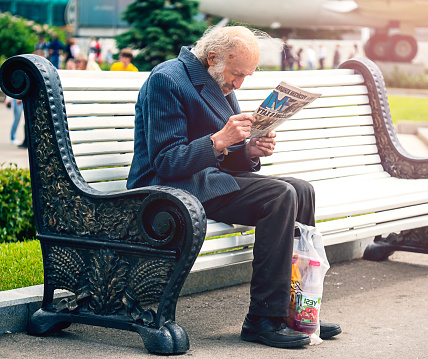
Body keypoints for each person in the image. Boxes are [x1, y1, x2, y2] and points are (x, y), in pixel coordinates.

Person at [127, 25, 341, 349]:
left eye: (246, 77)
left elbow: (228, 156)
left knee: (301, 190)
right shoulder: (166, 80)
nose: (238, 84)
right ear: (213, 57)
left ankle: (297, 310)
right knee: (280, 196)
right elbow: (166, 162)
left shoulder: (219, 80)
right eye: (237, 74)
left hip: (205, 179)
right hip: (166, 189)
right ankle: (263, 319)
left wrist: (249, 151)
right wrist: (218, 141)